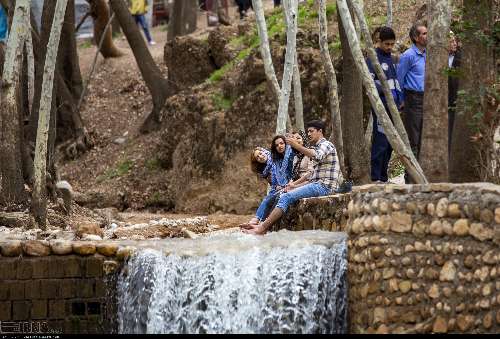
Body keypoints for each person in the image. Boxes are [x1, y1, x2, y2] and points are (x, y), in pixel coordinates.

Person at [242, 120, 343, 235]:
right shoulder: (316, 147)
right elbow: (312, 175)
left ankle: (262, 228)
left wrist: (296, 145)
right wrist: (294, 185)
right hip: (318, 184)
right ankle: (260, 224)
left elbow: (316, 156)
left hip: (325, 187)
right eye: (308, 131)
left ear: (320, 131)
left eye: (311, 131)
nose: (309, 134)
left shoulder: (326, 145)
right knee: (279, 195)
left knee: (286, 197)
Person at [366, 26, 403, 183]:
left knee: (389, 143)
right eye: (387, 44)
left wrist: (401, 100)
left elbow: (397, 82)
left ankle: (384, 176)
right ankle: (375, 177)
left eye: (392, 44)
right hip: (381, 107)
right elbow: (370, 83)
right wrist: (384, 92)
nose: (389, 47)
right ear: (379, 42)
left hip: (394, 108)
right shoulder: (372, 60)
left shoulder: (393, 59)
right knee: (380, 141)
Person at [241, 136, 295, 227]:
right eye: (258, 158)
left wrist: (281, 185)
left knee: (268, 200)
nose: (261, 157)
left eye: (261, 154)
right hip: (276, 189)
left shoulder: (275, 158)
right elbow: (273, 183)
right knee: (267, 199)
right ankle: (259, 221)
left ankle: (259, 220)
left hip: (286, 185)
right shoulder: (264, 170)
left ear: (264, 151)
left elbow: (285, 173)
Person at [397, 22, 427, 182]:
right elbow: (399, 80)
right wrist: (402, 100)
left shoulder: (429, 54)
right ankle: (410, 177)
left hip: (427, 99)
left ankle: (422, 175)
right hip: (413, 99)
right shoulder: (408, 56)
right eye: (424, 33)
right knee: (413, 140)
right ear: (416, 37)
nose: (427, 36)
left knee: (424, 139)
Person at [447, 31, 461, 154]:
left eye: (455, 41)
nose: (454, 44)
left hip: (454, 102)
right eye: (451, 41)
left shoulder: (460, 58)